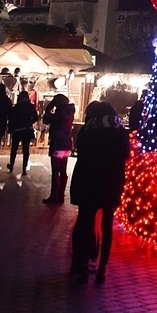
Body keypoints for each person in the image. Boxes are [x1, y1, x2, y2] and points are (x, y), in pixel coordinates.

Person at [70, 101, 130, 284]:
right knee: (106, 225)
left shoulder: (88, 130)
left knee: (85, 222)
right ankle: (102, 268)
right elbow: (125, 156)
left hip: (88, 181)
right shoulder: (120, 132)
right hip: (111, 182)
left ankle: (81, 265)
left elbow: (81, 154)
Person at [42, 93, 75, 204]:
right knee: (63, 170)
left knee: (55, 171)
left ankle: (54, 196)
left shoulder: (60, 112)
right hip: (66, 143)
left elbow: (46, 120)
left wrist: (49, 107)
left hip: (58, 142)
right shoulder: (69, 111)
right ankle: (61, 195)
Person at [8, 90, 39, 175]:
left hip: (17, 130)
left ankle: (11, 165)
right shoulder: (30, 106)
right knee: (26, 149)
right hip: (27, 130)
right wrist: (29, 122)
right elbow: (36, 117)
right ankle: (24, 168)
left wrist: (11, 128)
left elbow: (11, 118)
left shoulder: (16, 107)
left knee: (14, 148)